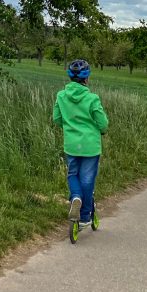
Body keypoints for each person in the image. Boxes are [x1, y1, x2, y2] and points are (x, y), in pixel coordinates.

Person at [52, 58, 109, 225]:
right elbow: (103, 123)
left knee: (72, 174)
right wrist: (102, 130)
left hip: (71, 145)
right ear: (87, 78)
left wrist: (70, 125)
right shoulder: (92, 98)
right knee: (87, 179)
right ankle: (85, 216)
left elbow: (56, 119)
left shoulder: (61, 96)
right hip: (90, 146)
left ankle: (75, 197)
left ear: (70, 77)